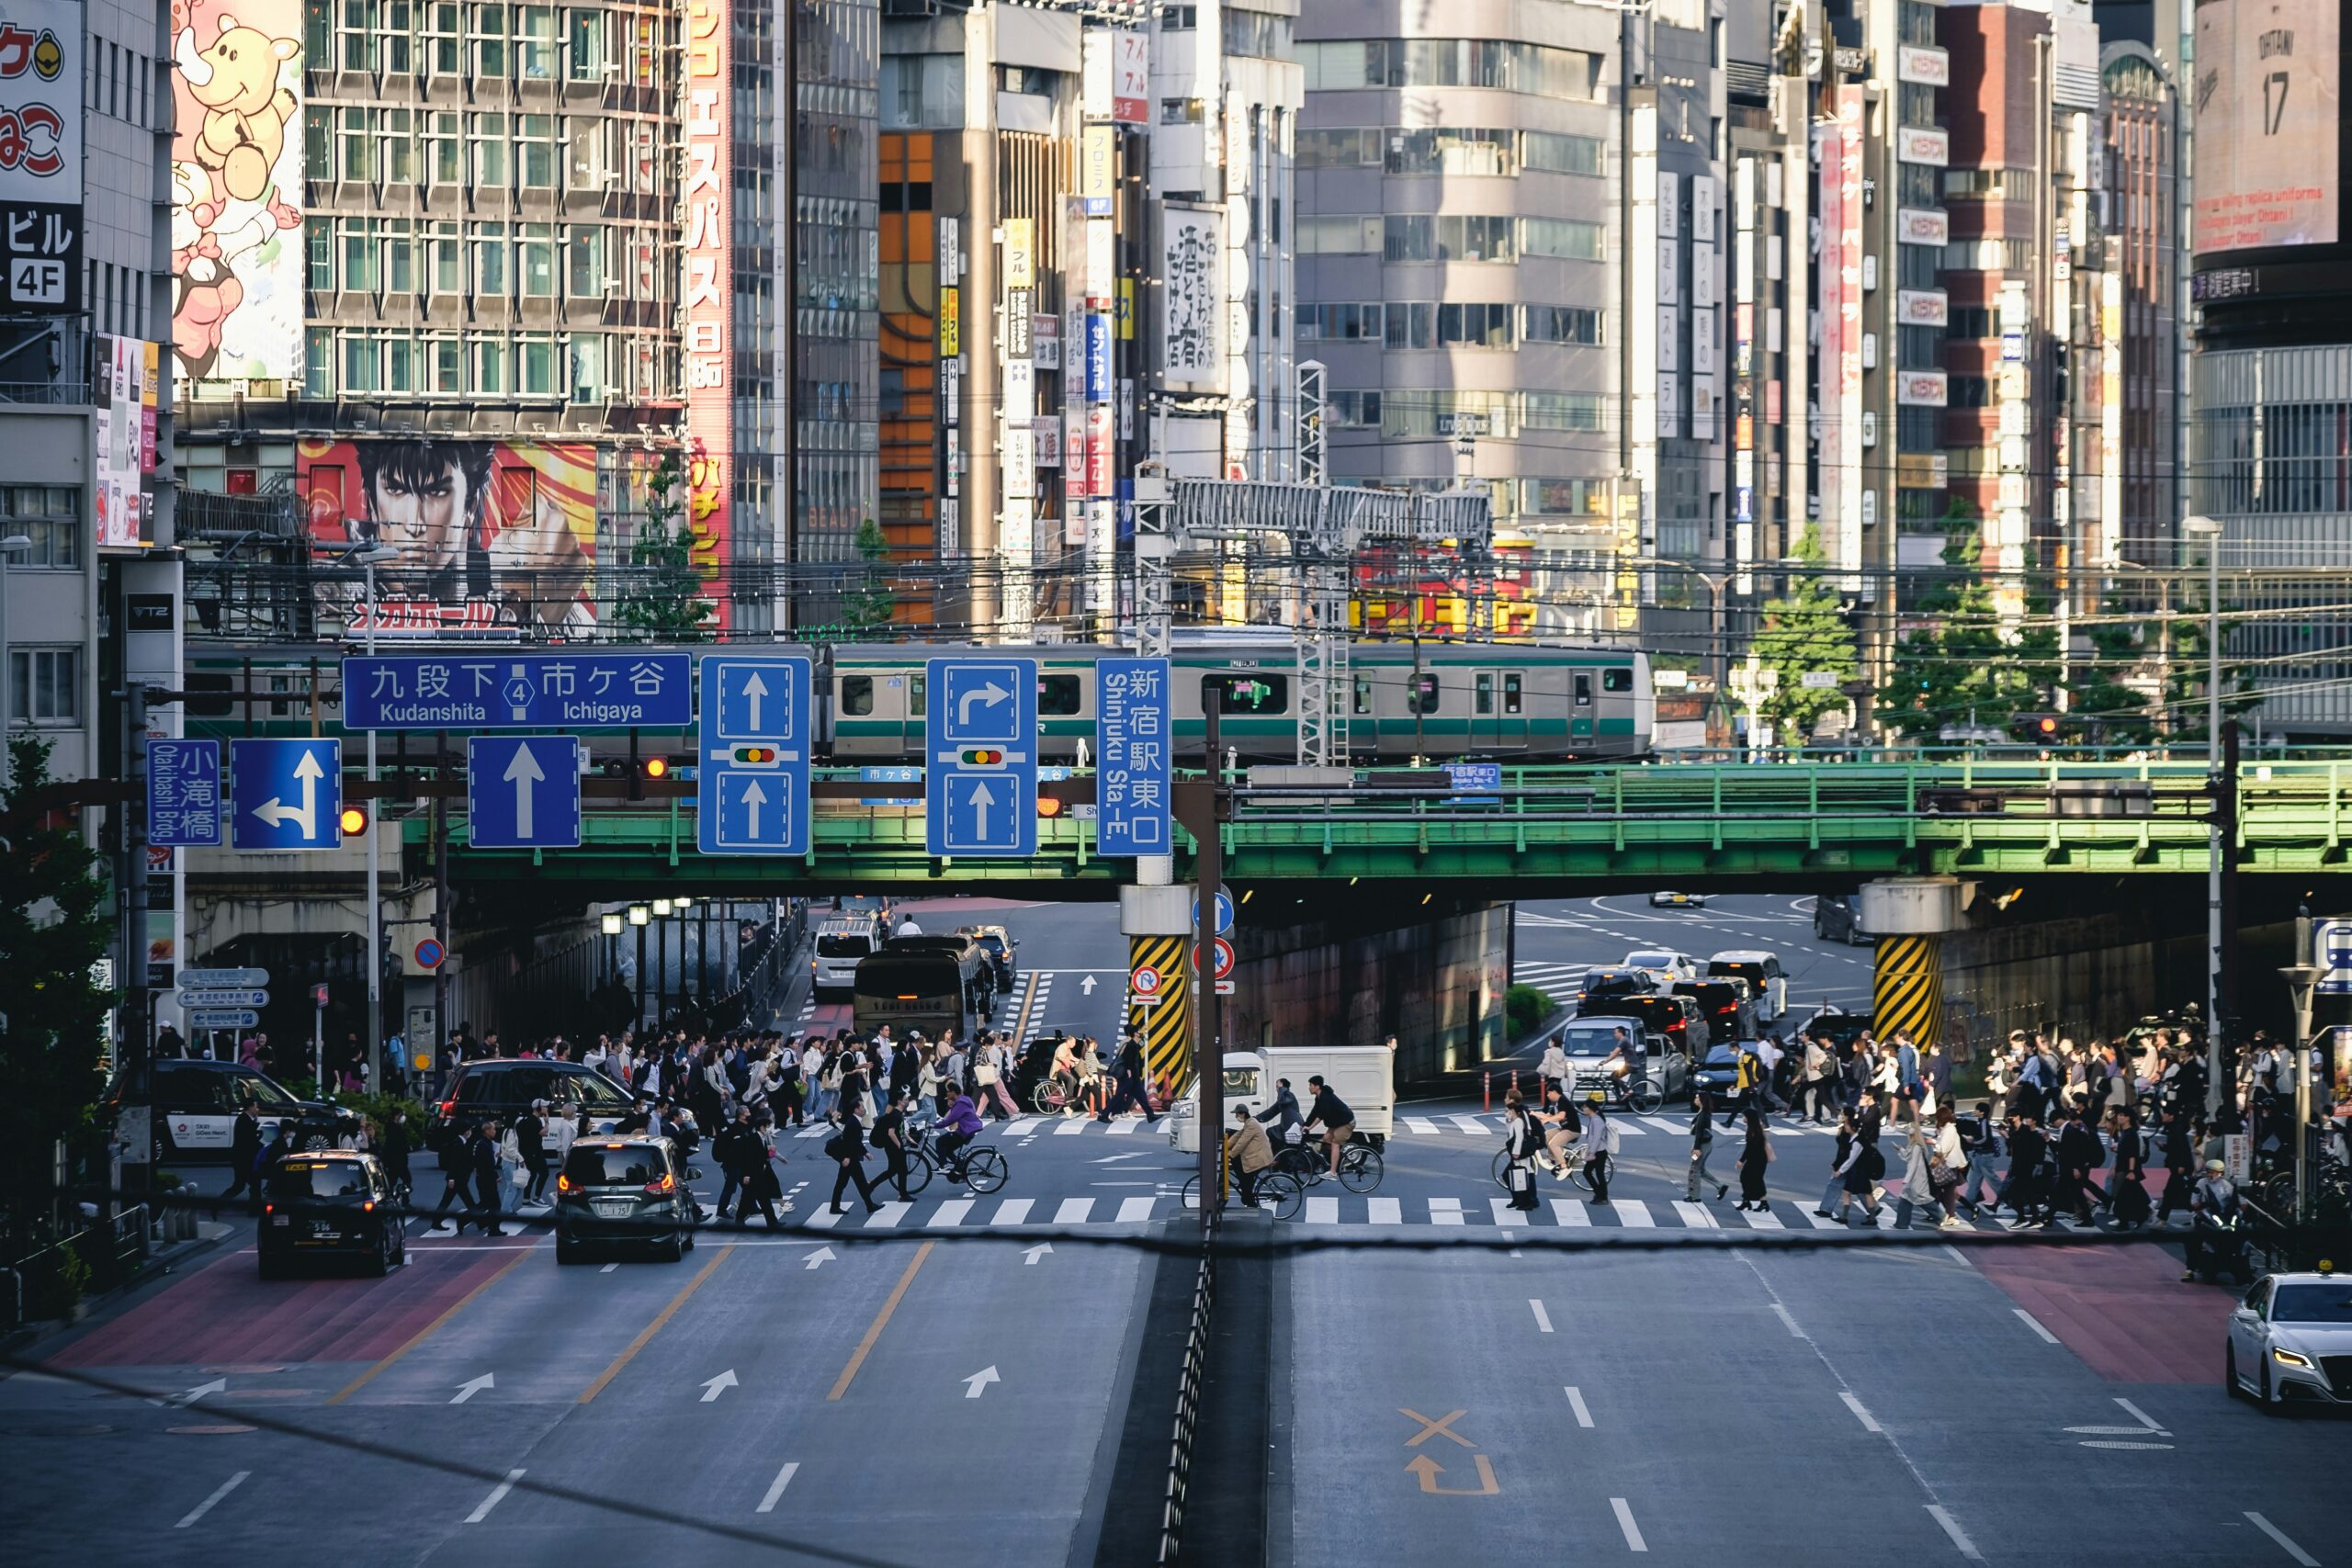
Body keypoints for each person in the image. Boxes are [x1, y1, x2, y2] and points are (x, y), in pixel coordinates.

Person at [2183, 1158, 2244, 1282]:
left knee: (2243, 1233)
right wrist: (2198, 1204)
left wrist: (2239, 1207)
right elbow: (2194, 1201)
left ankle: (2243, 1266)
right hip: (2205, 1215)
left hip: (2224, 1216)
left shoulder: (2228, 1184)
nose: (2212, 1175)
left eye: (2215, 1172)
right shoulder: (2201, 1183)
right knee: (2192, 1237)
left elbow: (2239, 1201)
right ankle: (2189, 1269)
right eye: (2210, 1172)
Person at [826, 1104, 883, 1215]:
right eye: (861, 1107)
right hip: (850, 1158)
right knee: (858, 1182)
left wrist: (865, 1152)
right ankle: (869, 1205)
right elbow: (849, 1142)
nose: (864, 1109)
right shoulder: (853, 1122)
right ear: (856, 1110)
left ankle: (836, 1206)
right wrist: (846, 1157)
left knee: (845, 1183)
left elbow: (856, 1141)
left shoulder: (854, 1121)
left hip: (851, 1157)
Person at [1099, 1032, 1161, 1123]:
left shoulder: (1133, 1045)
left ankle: (1150, 1115)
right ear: (1135, 1034)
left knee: (1141, 1097)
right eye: (1138, 1032)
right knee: (1118, 1097)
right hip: (1130, 1078)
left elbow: (1136, 1056)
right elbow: (1127, 1059)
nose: (1141, 1036)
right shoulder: (1130, 1044)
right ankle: (1104, 1115)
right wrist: (1129, 1070)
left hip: (1134, 1078)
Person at [1304, 1075, 1355, 1179]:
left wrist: (1310, 1128)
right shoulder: (1319, 1097)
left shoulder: (1325, 1097)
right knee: (1326, 1139)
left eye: (1311, 1085)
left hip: (1346, 1122)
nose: (1309, 1087)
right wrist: (1304, 1125)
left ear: (1317, 1086)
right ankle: (1336, 1162)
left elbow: (1321, 1115)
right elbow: (1314, 1113)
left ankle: (1332, 1172)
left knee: (1335, 1144)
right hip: (1336, 1123)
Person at [1226, 1103, 1276, 1208]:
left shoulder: (1251, 1124)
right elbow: (1238, 1136)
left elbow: (1242, 1142)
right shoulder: (1249, 1123)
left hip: (1260, 1157)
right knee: (1243, 1173)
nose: (1236, 1117)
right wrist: (1226, 1145)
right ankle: (1246, 1191)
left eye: (1237, 1114)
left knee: (1246, 1175)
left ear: (1243, 1114)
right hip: (1257, 1154)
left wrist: (1230, 1154)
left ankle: (1250, 1201)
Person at [713, 1108, 758, 1222]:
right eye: (747, 1112)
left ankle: (753, 1208)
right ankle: (721, 1211)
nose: (749, 1114)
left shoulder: (746, 1127)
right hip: (732, 1165)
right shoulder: (733, 1129)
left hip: (742, 1164)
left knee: (749, 1187)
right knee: (730, 1188)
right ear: (741, 1116)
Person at [220, 1101, 266, 1215]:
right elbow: (248, 1141)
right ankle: (254, 1209)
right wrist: (261, 1147)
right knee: (253, 1184)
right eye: (256, 1107)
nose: (258, 1110)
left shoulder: (246, 1119)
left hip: (243, 1158)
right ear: (250, 1107)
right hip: (244, 1159)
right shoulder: (244, 1120)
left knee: (240, 1185)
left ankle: (219, 1204)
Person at [462, 1119, 504, 1236]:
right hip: (486, 1179)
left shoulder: (482, 1143)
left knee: (486, 1204)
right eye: (493, 1129)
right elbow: (487, 1163)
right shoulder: (483, 1144)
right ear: (487, 1130)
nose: (495, 1131)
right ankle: (465, 1219)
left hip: (483, 1177)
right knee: (494, 1205)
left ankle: (488, 1226)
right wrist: (496, 1176)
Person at [1500, 1096, 1542, 1212]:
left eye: (1508, 1111)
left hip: (1520, 1153)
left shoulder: (1518, 1121)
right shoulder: (1516, 1120)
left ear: (1513, 1110)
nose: (1507, 1113)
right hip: (1520, 1153)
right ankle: (1521, 1200)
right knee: (1520, 1175)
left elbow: (1519, 1138)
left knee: (1519, 1176)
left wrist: (1516, 1153)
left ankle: (1525, 1201)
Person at [874, 1090, 914, 1202]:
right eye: (905, 1100)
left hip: (893, 1146)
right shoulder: (895, 1115)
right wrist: (899, 1145)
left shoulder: (898, 1114)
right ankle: (903, 1194)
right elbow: (891, 1133)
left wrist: (908, 1138)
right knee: (901, 1170)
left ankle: (871, 1186)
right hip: (893, 1146)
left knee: (893, 1171)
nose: (907, 1102)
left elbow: (899, 1129)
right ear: (900, 1102)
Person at [1688, 1088, 1726, 1202]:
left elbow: (1699, 1132)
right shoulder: (1705, 1112)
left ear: (1701, 1100)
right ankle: (1720, 1186)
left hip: (1701, 1146)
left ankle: (1695, 1196)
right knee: (1700, 1169)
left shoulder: (1702, 1115)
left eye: (1697, 1098)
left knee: (1694, 1169)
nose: (1695, 1099)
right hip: (1705, 1145)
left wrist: (1696, 1148)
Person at [934, 1089, 983, 1179]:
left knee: (939, 1141)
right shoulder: (965, 1102)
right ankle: (959, 1167)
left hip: (964, 1132)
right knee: (948, 1150)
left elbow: (949, 1120)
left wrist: (934, 1125)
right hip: (968, 1131)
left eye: (949, 1100)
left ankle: (944, 1166)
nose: (948, 1102)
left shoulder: (959, 1106)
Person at [1580, 1092, 1617, 1203]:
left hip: (1598, 1152)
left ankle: (1601, 1196)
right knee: (1594, 1173)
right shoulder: (1594, 1119)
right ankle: (1600, 1195)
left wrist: (1591, 1153)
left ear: (1590, 1108)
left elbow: (1597, 1138)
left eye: (1585, 1107)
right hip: (1598, 1151)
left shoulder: (1597, 1120)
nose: (1583, 1109)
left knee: (1592, 1173)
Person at [1736, 1110, 1773, 1212]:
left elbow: (1750, 1148)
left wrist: (1741, 1160)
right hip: (1757, 1158)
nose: (1743, 1118)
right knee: (1748, 1179)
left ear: (1749, 1118)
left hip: (1757, 1159)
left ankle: (1762, 1202)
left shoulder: (1754, 1130)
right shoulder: (1754, 1128)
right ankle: (1747, 1201)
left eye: (1744, 1116)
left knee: (1753, 1179)